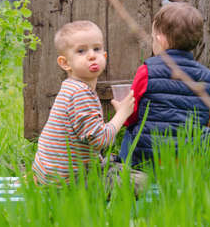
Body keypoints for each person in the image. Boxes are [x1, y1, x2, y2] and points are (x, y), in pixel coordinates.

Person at [32, 20, 144, 188]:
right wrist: (122, 114)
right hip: (70, 181)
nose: (92, 55)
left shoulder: (71, 88)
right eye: (81, 51)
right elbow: (100, 140)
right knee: (142, 181)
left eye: (97, 49)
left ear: (104, 56)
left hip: (53, 173)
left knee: (113, 164)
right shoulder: (80, 95)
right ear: (65, 63)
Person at [119, 2, 210, 167]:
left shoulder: (147, 70)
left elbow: (132, 115)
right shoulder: (207, 77)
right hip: (188, 156)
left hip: (148, 154)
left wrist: (121, 113)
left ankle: (127, 171)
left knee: (132, 131)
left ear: (159, 40)